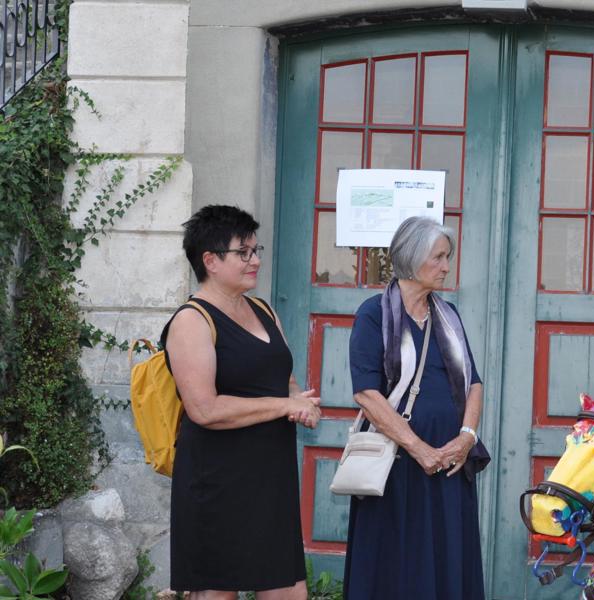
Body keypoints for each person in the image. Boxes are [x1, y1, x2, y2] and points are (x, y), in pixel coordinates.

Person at [164, 205, 321, 598]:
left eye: (257, 249)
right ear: (211, 261)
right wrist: (282, 406)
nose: (256, 260)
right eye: (244, 252)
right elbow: (204, 409)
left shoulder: (264, 309)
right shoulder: (192, 320)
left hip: (270, 484)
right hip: (215, 487)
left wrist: (298, 401)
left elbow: (282, 380)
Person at [343, 216, 489, 600]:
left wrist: (466, 437)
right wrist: (418, 448)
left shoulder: (449, 316)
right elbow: (367, 394)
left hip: (449, 462)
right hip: (398, 465)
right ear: (411, 257)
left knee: (445, 561)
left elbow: (473, 382)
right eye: (438, 257)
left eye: (447, 257)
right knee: (397, 568)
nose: (446, 266)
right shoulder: (374, 314)